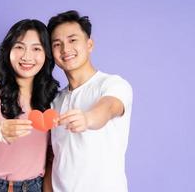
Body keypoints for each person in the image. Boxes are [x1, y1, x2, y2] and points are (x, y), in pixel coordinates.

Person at [43, 10, 133, 192]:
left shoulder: (113, 84)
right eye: (57, 44)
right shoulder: (55, 101)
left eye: (72, 40)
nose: (65, 49)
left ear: (89, 44)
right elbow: (52, 158)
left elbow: (108, 107)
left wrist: (88, 119)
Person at [0, 19, 59, 192]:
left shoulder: (51, 99)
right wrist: (1, 131)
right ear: (8, 51)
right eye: (19, 47)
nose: (27, 56)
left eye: (36, 48)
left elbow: (52, 152)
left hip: (34, 186)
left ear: (46, 55)